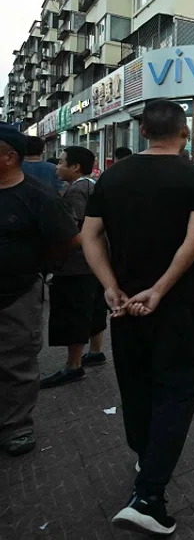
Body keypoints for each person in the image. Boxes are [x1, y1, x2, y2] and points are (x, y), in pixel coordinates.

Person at [81, 99, 194, 536]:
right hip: (176, 305)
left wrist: (109, 286)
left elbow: (89, 236)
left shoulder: (112, 176)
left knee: (136, 385)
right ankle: (149, 496)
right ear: (185, 133)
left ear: (141, 131)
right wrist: (159, 289)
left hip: (124, 306)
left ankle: (146, 454)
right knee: (176, 390)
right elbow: (192, 243)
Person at [0, 124, 79, 457]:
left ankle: (16, 426)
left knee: (16, 359)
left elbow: (68, 239)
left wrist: (35, 267)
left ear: (9, 157)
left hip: (18, 291)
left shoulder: (38, 196)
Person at [40, 146, 108, 389]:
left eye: (61, 162)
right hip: (96, 262)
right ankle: (96, 352)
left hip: (76, 265)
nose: (57, 166)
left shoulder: (76, 191)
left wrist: (55, 256)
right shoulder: (93, 186)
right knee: (94, 307)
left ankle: (73, 365)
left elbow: (77, 231)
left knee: (75, 313)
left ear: (75, 167)